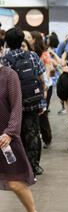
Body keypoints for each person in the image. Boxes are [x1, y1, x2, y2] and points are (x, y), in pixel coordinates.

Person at [0, 40, 41, 212]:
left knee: (15, 183)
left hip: (6, 138)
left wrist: (10, 132)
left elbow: (16, 107)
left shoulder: (9, 75)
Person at [2, 28, 47, 178]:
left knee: (17, 136)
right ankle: (35, 166)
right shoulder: (32, 55)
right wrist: (42, 99)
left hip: (15, 105)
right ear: (22, 40)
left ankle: (21, 168)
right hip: (33, 102)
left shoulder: (6, 59)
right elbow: (41, 78)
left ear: (6, 42)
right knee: (33, 134)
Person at [30, 31, 53, 149]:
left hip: (45, 87)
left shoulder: (44, 53)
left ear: (35, 39)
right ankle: (38, 136)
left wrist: (44, 87)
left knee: (43, 113)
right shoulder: (30, 53)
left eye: (30, 37)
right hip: (33, 87)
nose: (28, 39)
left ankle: (47, 138)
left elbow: (47, 70)